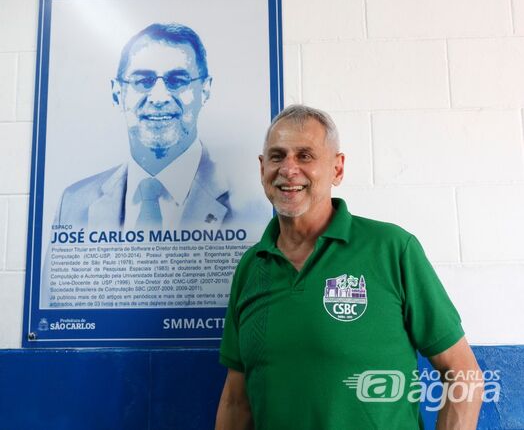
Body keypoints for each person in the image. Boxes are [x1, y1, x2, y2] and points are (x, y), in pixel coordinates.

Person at [215, 105, 483, 430]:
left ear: (337, 169)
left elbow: (464, 375)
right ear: (262, 169)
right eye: (277, 156)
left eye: (305, 156)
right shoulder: (251, 266)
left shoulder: (392, 249)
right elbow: (235, 399)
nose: (288, 169)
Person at [51, 22, 234, 232]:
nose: (159, 97)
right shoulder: (74, 203)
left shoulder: (250, 202)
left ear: (205, 90)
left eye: (177, 80)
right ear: (117, 93)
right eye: (143, 81)